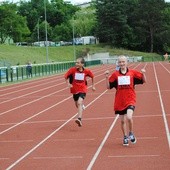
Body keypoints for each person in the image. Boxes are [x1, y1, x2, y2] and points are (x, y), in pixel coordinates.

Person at [105, 55, 146, 146]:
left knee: (129, 117)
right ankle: (125, 136)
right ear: (118, 63)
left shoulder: (132, 73)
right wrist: (106, 78)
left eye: (123, 62)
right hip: (120, 101)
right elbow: (108, 87)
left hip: (130, 99)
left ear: (127, 62)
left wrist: (143, 74)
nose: (122, 63)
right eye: (120, 62)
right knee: (122, 121)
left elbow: (144, 81)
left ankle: (131, 133)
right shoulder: (115, 74)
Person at [64, 57, 96, 127]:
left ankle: (79, 119)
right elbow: (65, 76)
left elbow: (93, 76)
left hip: (83, 89)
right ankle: (81, 106)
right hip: (74, 90)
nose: (76, 64)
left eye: (78, 63)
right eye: (76, 62)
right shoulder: (72, 70)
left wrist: (93, 86)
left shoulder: (87, 71)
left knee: (79, 103)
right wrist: (68, 84)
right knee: (77, 104)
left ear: (82, 64)